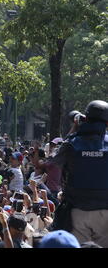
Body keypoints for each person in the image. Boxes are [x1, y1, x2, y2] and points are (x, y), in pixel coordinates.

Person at [50, 100, 108, 247]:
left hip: (77, 209)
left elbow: (54, 160)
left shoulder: (72, 143)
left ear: (85, 118)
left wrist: (73, 130)